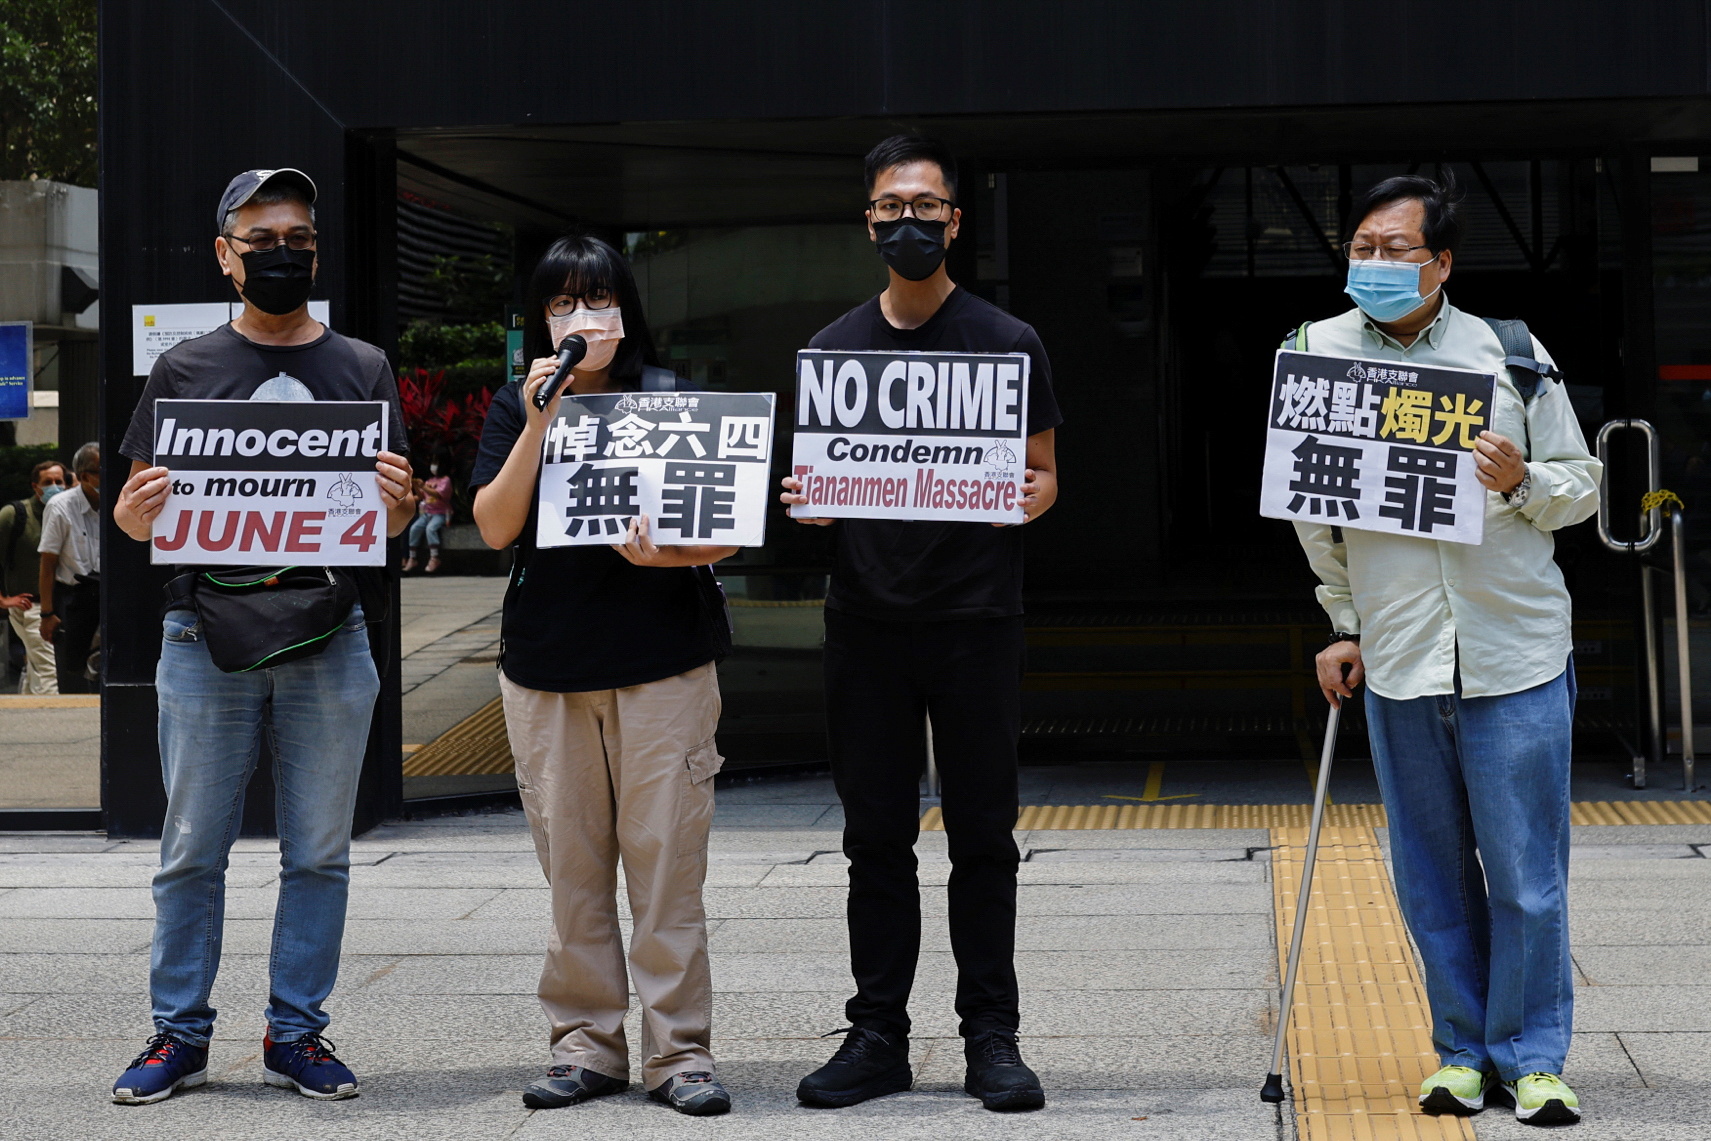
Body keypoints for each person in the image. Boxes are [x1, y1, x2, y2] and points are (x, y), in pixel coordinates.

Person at [1292, 174, 1599, 1127]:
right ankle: (1462, 1053)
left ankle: (1534, 1056)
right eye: (1363, 248)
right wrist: (1341, 624)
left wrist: (1518, 480)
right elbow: (1317, 519)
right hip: (1398, 655)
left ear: (1442, 262)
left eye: (1396, 249)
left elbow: (1581, 485)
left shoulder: (1506, 353)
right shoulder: (1313, 357)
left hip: (1514, 648)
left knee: (1525, 874)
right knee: (1429, 874)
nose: (1375, 264)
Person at [109, 167, 415, 1105]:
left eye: (299, 240)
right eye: (262, 240)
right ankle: (178, 1033)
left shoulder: (362, 367)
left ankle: (298, 1032)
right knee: (191, 846)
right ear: (225, 256)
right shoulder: (184, 369)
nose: (283, 253)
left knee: (318, 849)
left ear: (316, 252)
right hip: (203, 633)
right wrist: (130, 513)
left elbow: (384, 520)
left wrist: (399, 510)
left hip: (331, 630)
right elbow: (137, 518)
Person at [780, 135, 1060, 1113]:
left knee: (984, 835)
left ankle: (992, 1034)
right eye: (890, 206)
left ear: (954, 219)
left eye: (926, 206)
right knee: (874, 840)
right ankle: (877, 1032)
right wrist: (809, 504)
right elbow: (812, 489)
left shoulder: (1009, 343)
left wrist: (1027, 497)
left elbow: (1045, 479)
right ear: (868, 222)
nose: (909, 221)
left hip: (978, 619)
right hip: (865, 622)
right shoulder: (832, 352)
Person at [471, 233, 736, 1117]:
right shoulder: (519, 406)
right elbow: (495, 525)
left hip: (663, 666)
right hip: (548, 670)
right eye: (560, 305)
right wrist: (542, 416)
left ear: (625, 312)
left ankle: (678, 1052)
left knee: (666, 868)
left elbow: (723, 534)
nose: (579, 319)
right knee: (572, 870)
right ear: (539, 320)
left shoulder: (672, 400)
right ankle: (586, 1044)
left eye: (596, 302)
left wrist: (668, 557)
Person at [38, 443, 102, 693]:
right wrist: (46, 614)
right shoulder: (60, 507)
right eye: (101, 469)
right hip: (74, 599)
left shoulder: (119, 502)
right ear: (84, 476)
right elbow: (48, 564)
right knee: (74, 676)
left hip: (109, 597)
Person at [0, 460, 66, 694]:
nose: (55, 487)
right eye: (47, 482)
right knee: (51, 673)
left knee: (37, 669)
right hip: (31, 607)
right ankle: (56, 723)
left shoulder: (65, 513)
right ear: (35, 486)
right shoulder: (14, 515)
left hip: (59, 606)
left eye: (60, 481)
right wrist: (4, 600)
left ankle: (26, 721)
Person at [403, 452, 452, 573]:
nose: (433, 466)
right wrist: (416, 487)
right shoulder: (430, 480)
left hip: (439, 513)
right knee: (414, 528)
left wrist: (423, 486)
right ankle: (412, 557)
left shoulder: (445, 481)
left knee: (431, 529)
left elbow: (438, 495)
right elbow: (422, 497)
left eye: (436, 463)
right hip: (426, 513)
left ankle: (434, 557)